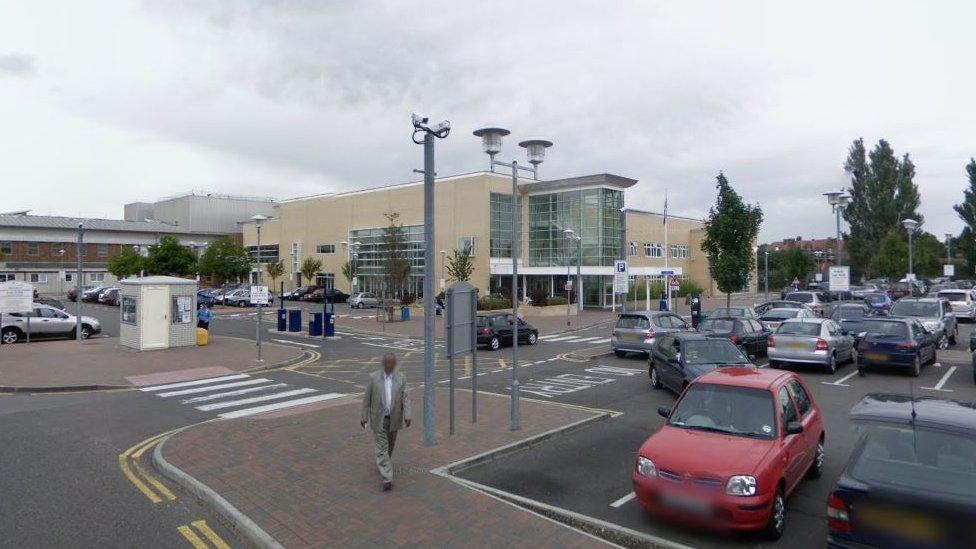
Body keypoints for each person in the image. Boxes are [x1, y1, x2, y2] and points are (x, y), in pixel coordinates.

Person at [360, 353, 411, 491]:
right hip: (378, 418)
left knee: (389, 446)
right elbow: (367, 399)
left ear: (395, 364)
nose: (389, 366)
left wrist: (407, 415)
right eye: (387, 363)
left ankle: (383, 463)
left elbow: (405, 398)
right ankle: (387, 477)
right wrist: (364, 417)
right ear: (383, 364)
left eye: (391, 364)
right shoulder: (374, 378)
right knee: (381, 447)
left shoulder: (401, 378)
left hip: (394, 418)